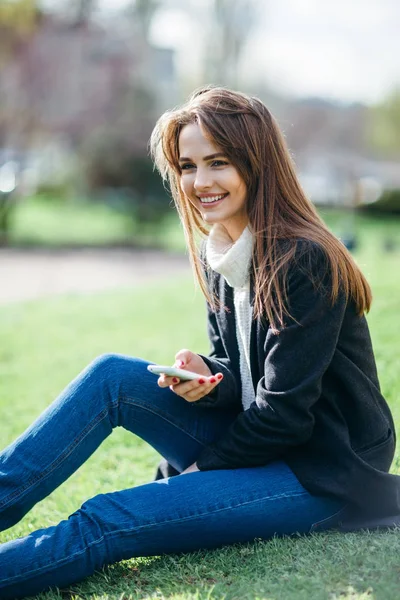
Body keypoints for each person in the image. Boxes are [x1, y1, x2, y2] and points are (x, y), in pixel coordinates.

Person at [0, 86, 399, 599]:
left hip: (321, 475)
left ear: (257, 164)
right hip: (266, 444)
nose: (200, 182)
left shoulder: (304, 260)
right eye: (187, 166)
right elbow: (247, 374)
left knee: (106, 517)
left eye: (218, 162)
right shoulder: (226, 255)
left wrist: (195, 474)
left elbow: (285, 414)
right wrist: (207, 378)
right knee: (112, 377)